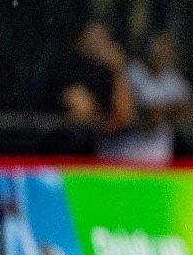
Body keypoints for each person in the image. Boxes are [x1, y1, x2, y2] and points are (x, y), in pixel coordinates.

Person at [112, 32, 193, 164]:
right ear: (149, 50)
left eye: (168, 49)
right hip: (124, 159)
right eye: (160, 48)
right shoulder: (131, 73)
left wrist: (164, 112)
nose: (164, 53)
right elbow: (144, 116)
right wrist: (172, 110)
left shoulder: (173, 78)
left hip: (158, 161)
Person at [54, 21, 136, 157]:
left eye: (102, 39)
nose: (97, 44)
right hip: (64, 155)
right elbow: (82, 111)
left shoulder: (110, 73)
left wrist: (118, 69)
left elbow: (125, 114)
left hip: (101, 156)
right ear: (79, 42)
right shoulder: (66, 68)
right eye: (92, 38)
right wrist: (105, 119)